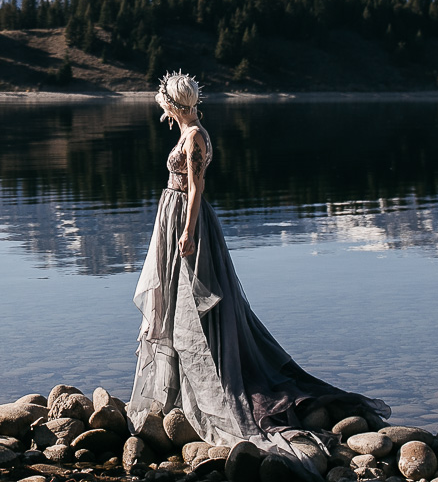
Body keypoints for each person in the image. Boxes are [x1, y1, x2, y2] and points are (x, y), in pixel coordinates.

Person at [131, 71, 389, 478]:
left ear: (173, 104)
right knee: (180, 305)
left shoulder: (195, 135)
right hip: (174, 217)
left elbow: (196, 187)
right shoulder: (187, 132)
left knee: (199, 305)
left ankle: (217, 387)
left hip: (187, 221)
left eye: (163, 102)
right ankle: (185, 387)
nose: (160, 107)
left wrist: (188, 232)